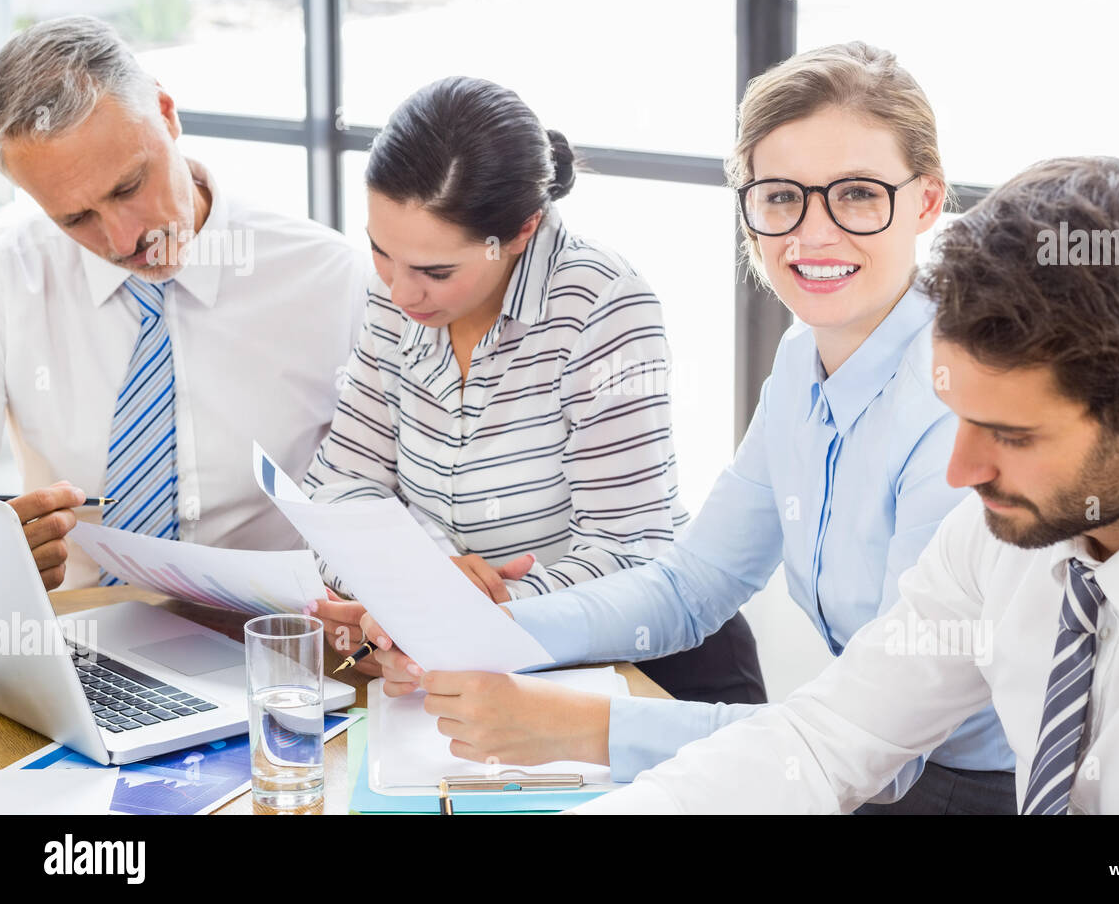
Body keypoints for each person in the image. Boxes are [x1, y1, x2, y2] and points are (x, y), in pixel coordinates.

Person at [362, 42, 1017, 813]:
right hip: (853, 763)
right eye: (780, 197)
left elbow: (877, 751)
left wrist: (584, 728)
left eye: (859, 195)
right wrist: (484, 628)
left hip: (964, 789)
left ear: (928, 202)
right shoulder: (805, 360)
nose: (812, 235)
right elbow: (692, 583)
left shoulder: (957, 406)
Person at [568, 155, 1119, 814]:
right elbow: (829, 739)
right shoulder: (1000, 532)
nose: (962, 472)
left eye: (1012, 435)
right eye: (959, 419)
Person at [303, 75, 765, 705]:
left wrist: (472, 612)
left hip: (646, 677)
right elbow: (338, 486)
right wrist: (420, 588)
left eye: (436, 271)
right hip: (458, 673)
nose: (401, 291)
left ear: (522, 229)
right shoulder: (394, 298)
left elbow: (629, 551)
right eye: (381, 252)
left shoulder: (602, 306)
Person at [0, 16, 368, 590]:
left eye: (128, 187)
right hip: (79, 640)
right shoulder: (6, 270)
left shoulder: (330, 277)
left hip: (273, 643)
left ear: (167, 114)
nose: (122, 241)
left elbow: (391, 505)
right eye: (75, 218)